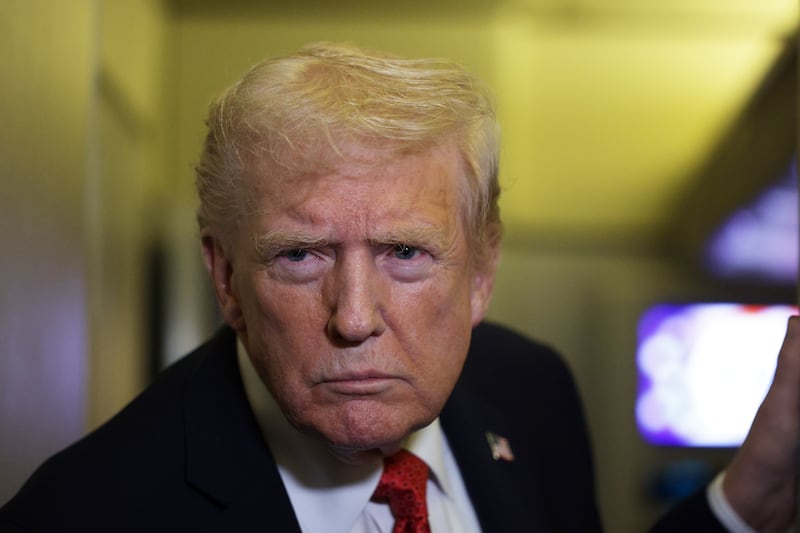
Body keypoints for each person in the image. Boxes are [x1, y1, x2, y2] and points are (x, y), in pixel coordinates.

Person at [0, 42, 797, 533]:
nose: (354, 317)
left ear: (483, 271)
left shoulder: (532, 388)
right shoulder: (82, 512)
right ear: (225, 278)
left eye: (406, 252)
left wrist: (746, 502)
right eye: (300, 256)